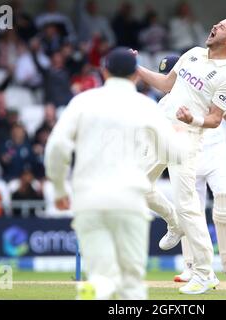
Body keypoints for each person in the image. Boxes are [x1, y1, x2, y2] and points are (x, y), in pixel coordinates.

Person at [45, 48, 185, 300]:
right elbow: (174, 154)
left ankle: (97, 288)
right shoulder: (146, 106)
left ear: (104, 71)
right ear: (135, 75)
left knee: (101, 274)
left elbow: (56, 147)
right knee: (131, 283)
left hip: (89, 199)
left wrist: (58, 189)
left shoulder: (83, 101)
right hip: (129, 200)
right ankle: (102, 288)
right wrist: (179, 134)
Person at [133, 14, 226, 294]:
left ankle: (204, 273)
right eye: (217, 23)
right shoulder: (194, 53)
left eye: (222, 27)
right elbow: (165, 84)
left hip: (187, 138)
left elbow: (215, 120)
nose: (215, 26)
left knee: (189, 205)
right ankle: (174, 222)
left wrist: (192, 120)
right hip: (161, 128)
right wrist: (135, 67)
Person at [156, 55, 226, 282]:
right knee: (190, 209)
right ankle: (191, 265)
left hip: (216, 152)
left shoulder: (203, 89)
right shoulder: (163, 105)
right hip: (187, 157)